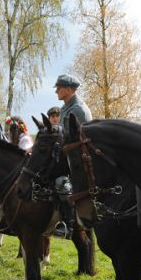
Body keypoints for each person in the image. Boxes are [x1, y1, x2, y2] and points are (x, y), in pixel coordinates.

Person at [54, 74, 92, 238]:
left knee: (61, 182)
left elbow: (78, 140)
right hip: (66, 154)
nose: (56, 91)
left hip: (76, 159)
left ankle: (69, 225)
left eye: (59, 87)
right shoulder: (66, 107)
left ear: (69, 89)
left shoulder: (78, 109)